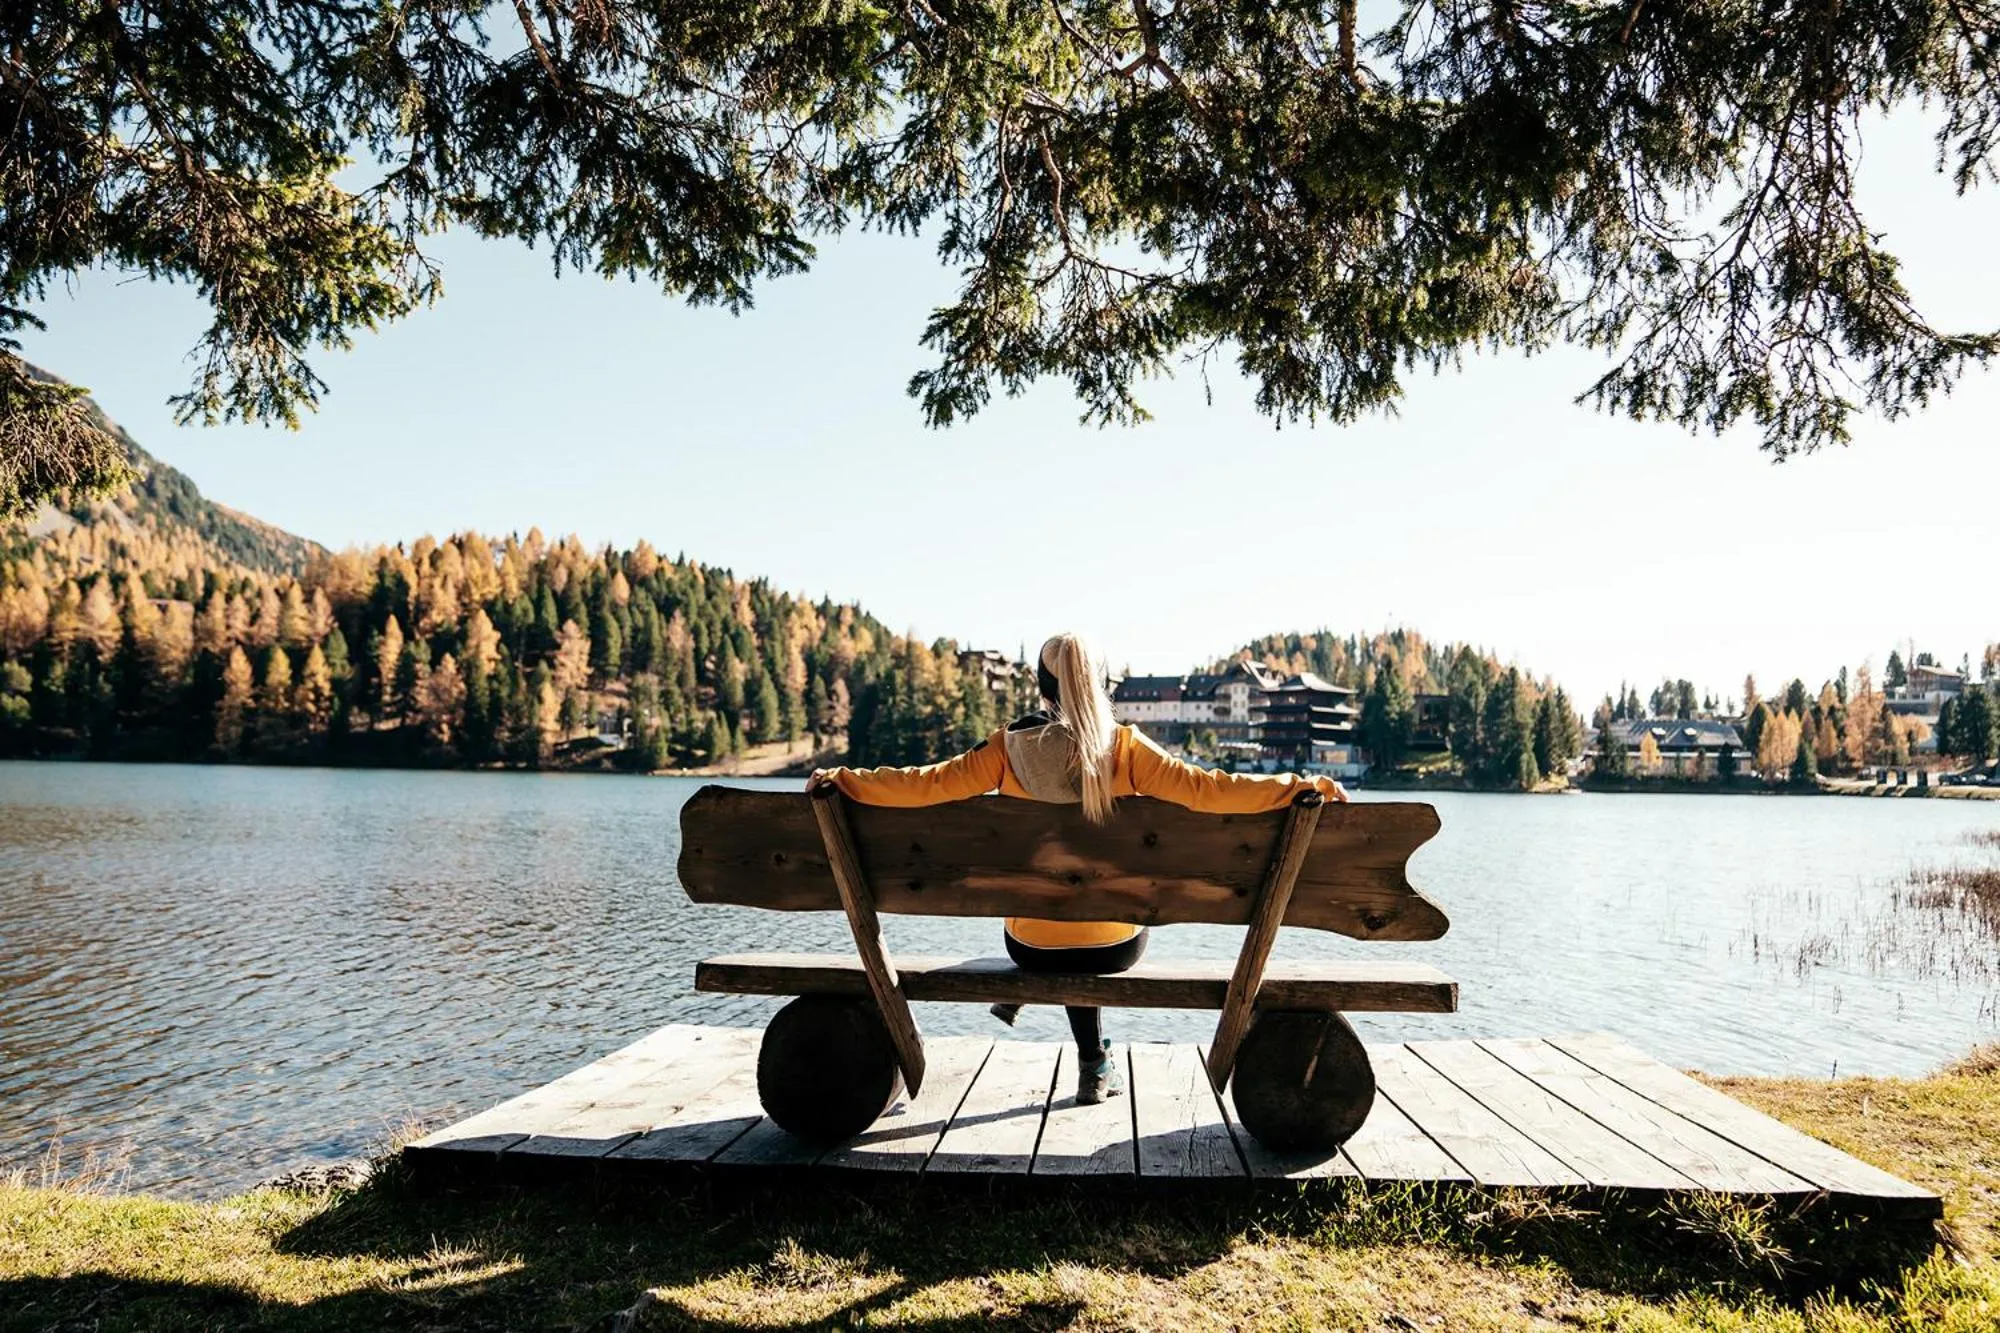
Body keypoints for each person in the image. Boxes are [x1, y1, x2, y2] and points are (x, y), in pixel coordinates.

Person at [808, 633, 1348, 1105]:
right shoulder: (1130, 749)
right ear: (1102, 685)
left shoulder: (1006, 747)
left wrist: (846, 780)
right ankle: (1095, 1064)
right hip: (1114, 946)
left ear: (1042, 688)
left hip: (1031, 946)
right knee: (1091, 918)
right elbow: (1210, 790)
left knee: (1051, 920)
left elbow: (923, 784)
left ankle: (1070, 1036)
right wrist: (1300, 785)